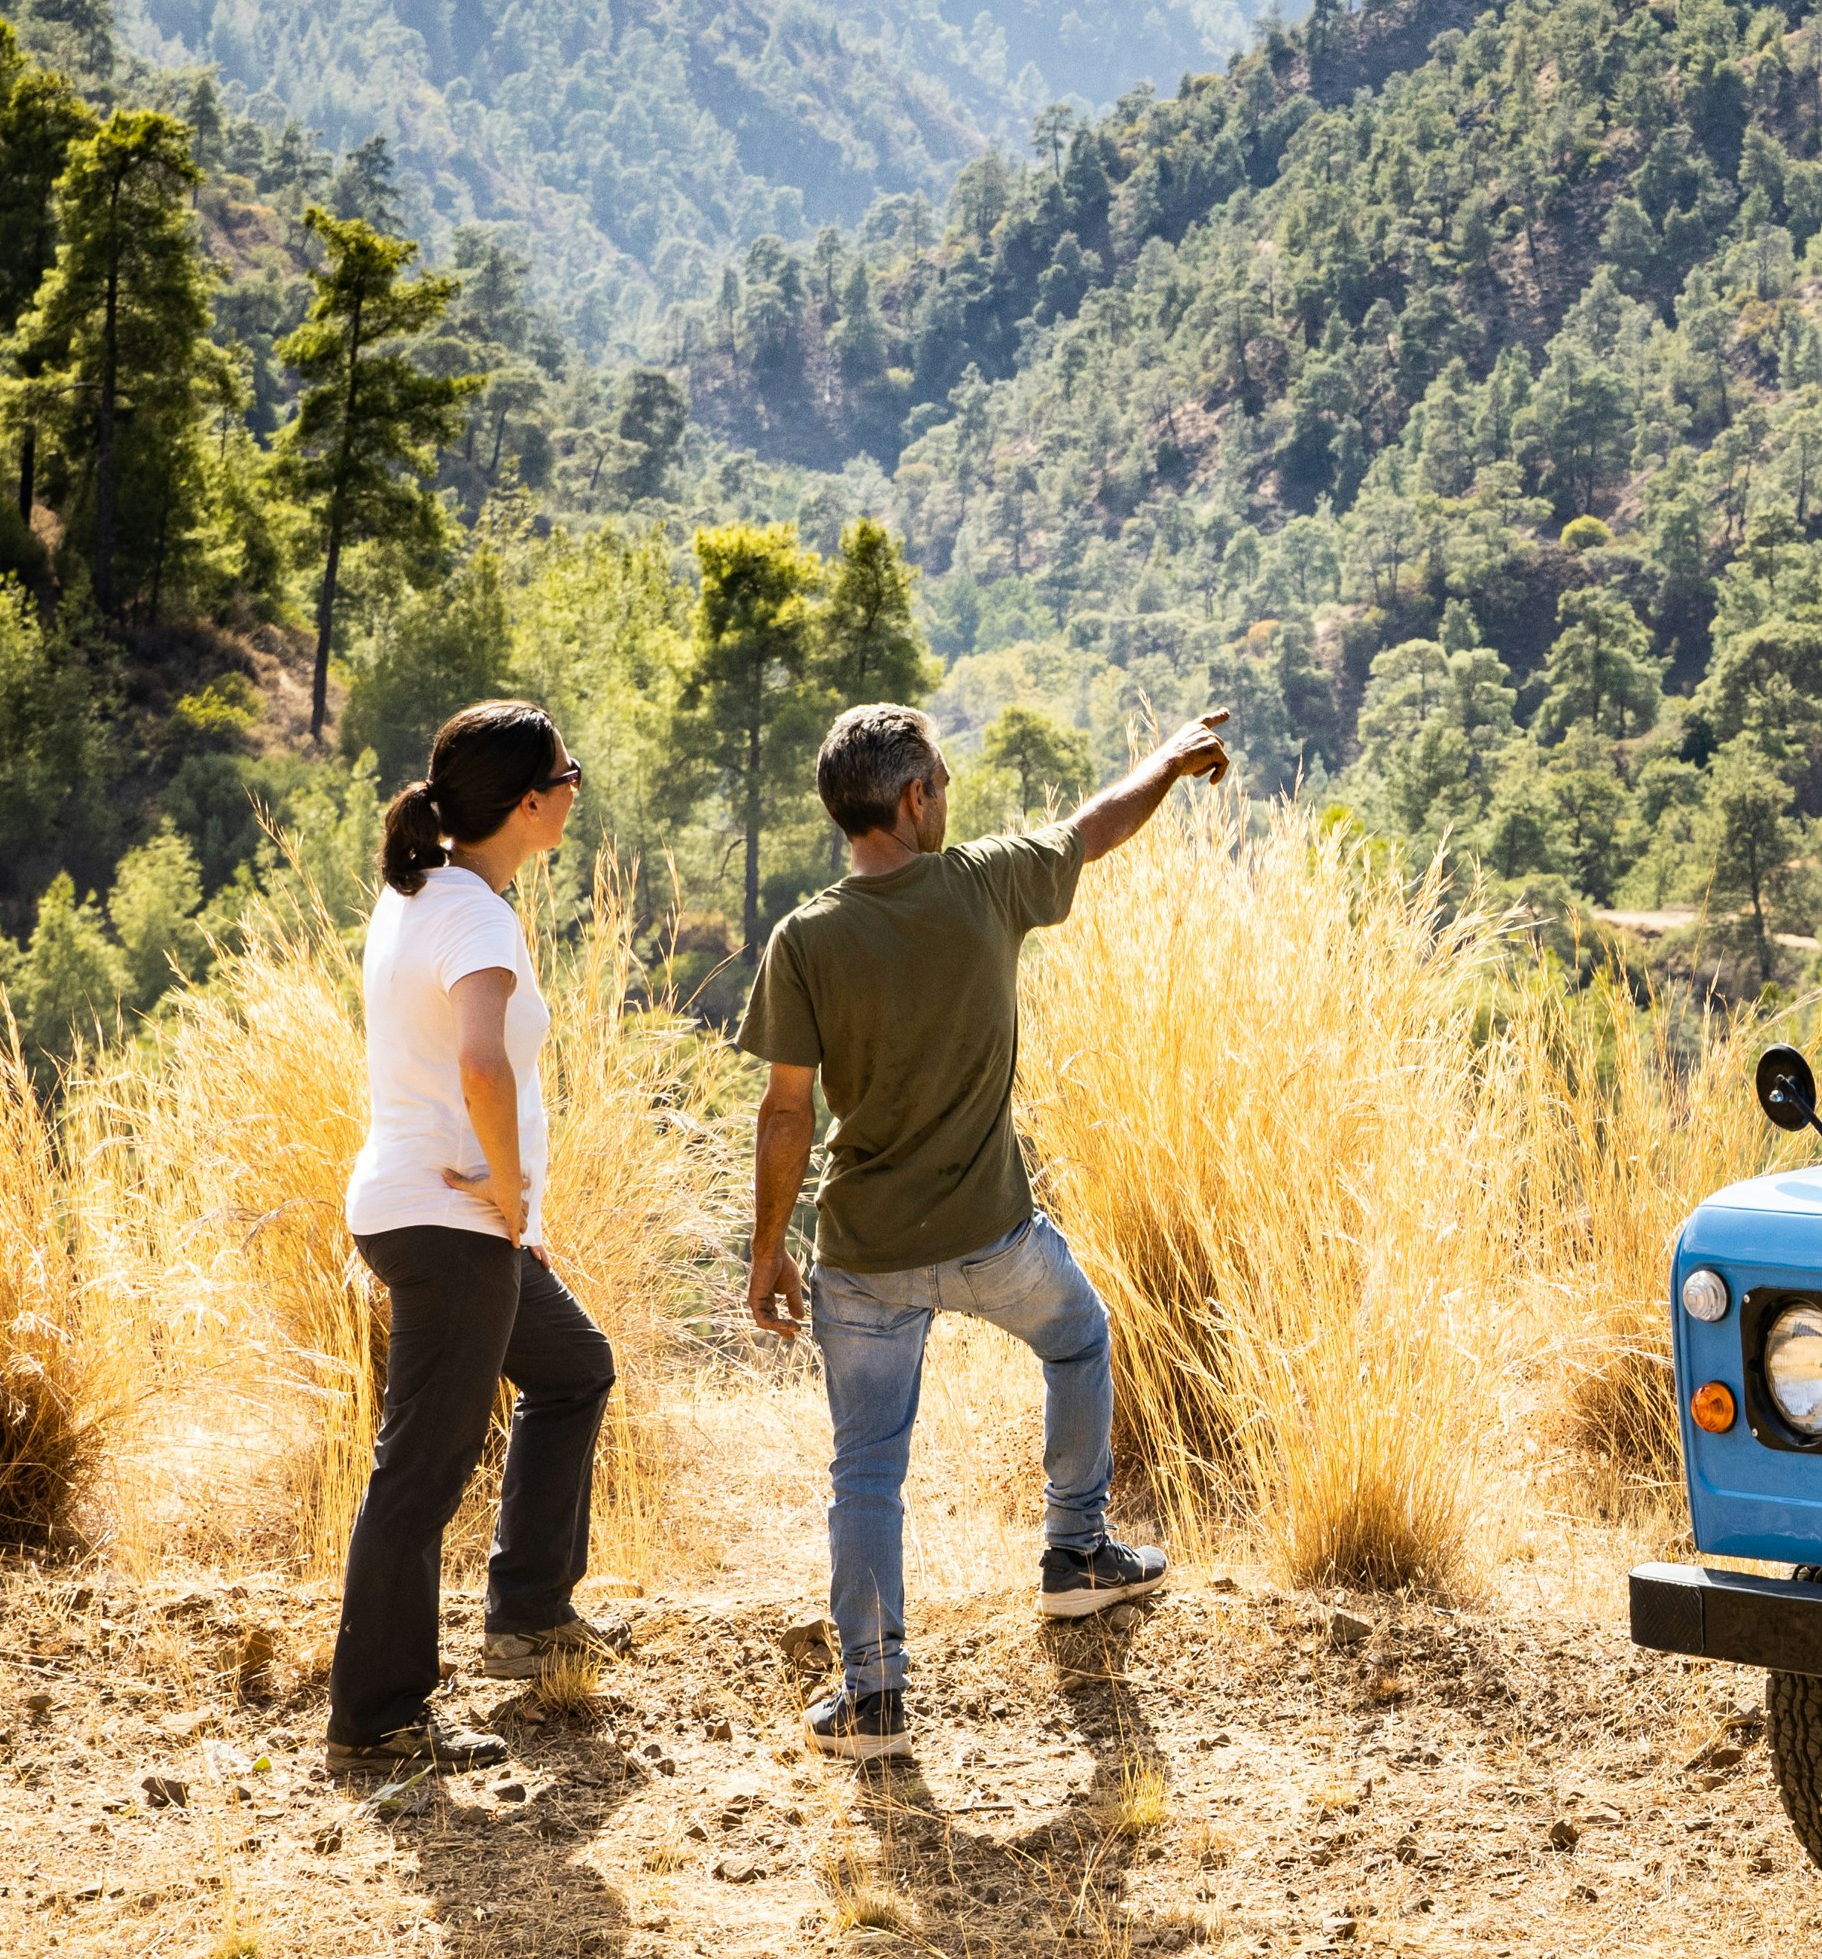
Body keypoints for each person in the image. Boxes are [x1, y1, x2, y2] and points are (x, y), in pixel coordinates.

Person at [740, 699, 1233, 1763]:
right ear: (914, 797)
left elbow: (786, 1113)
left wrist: (768, 1248)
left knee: (866, 1471)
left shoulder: (805, 937)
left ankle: (872, 1698)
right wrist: (1166, 758)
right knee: (1079, 1335)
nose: (947, 804)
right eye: (943, 787)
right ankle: (1076, 1554)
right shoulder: (984, 885)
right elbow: (1097, 826)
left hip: (864, 1258)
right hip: (993, 1240)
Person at [327, 699, 626, 1770]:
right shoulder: (479, 919)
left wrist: (515, 1218)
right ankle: (376, 1720)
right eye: (568, 775)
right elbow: (480, 1064)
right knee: (420, 1471)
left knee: (574, 1367)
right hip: (450, 1223)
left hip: (434, 1215)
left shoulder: (420, 891)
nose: (576, 790)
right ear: (528, 803)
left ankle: (529, 1618)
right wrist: (506, 1189)